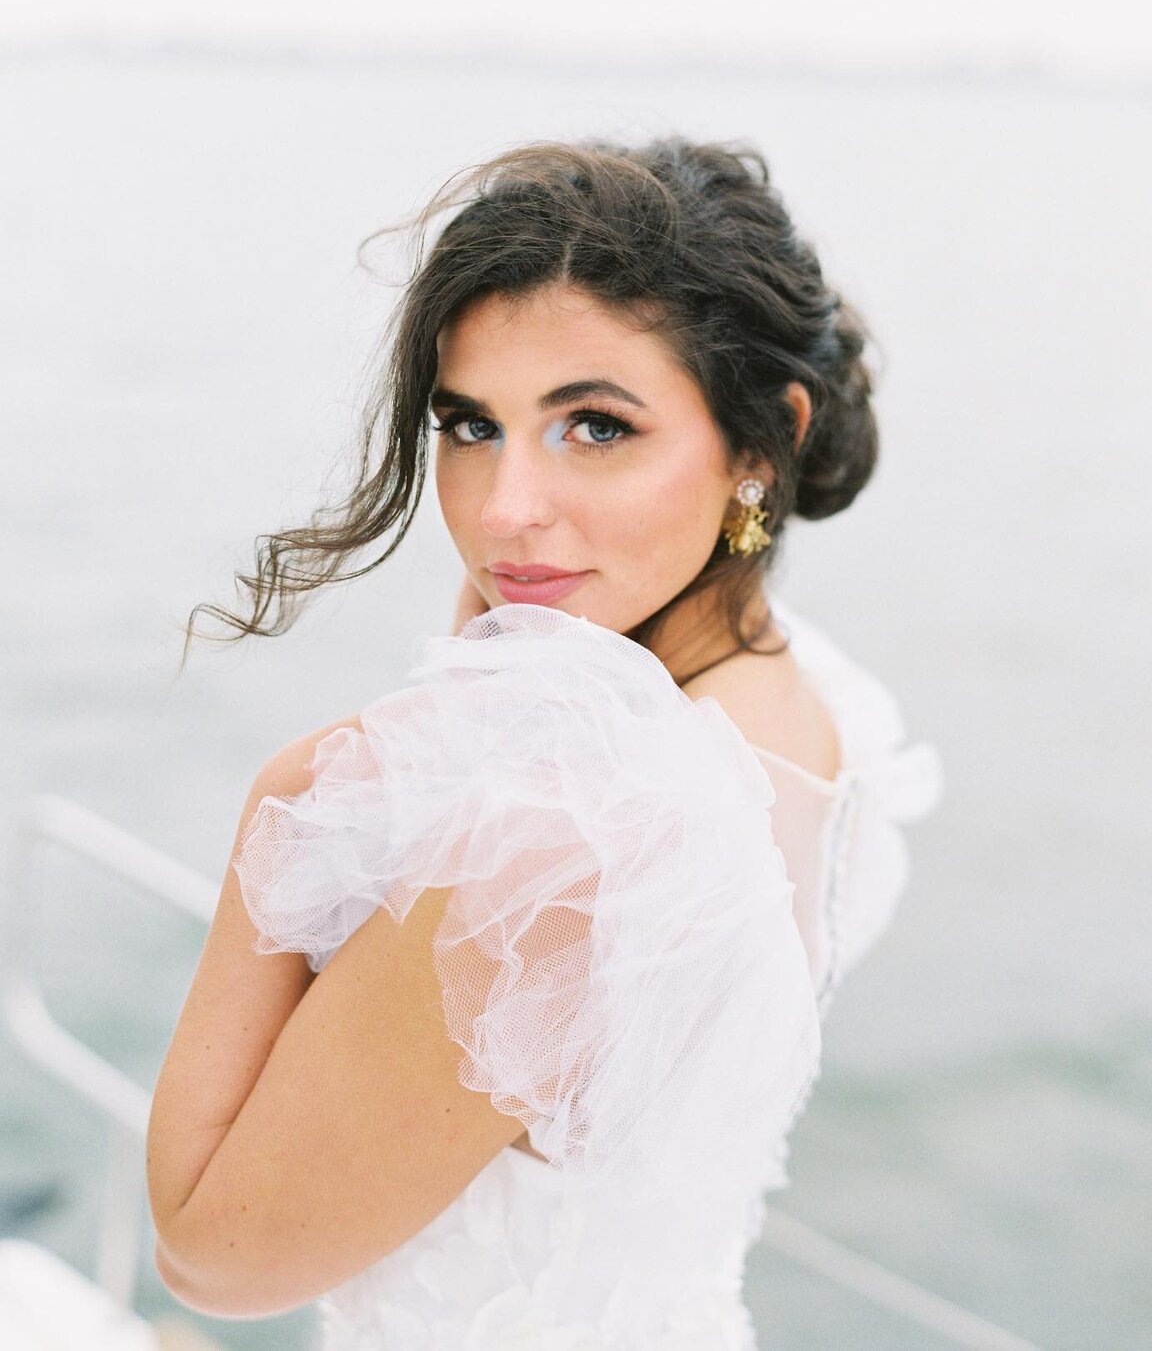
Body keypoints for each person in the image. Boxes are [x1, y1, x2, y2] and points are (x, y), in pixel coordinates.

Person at [146, 135, 943, 1347]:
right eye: (470, 425)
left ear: (760, 440)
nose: (504, 508)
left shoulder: (557, 836)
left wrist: (292, 798)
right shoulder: (809, 699)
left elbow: (211, 1252)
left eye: (596, 428)